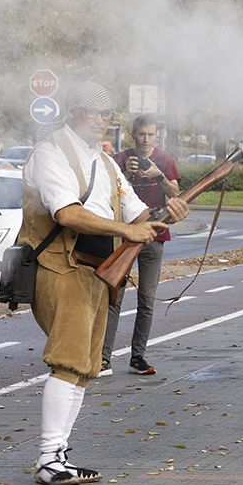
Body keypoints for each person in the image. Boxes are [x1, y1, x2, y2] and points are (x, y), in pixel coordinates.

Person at [20, 82, 188, 485]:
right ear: (73, 113)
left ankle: (58, 454)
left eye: (107, 115)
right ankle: (48, 459)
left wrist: (172, 210)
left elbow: (140, 213)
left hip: (97, 270)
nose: (102, 121)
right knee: (68, 362)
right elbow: (67, 214)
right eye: (95, 113)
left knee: (84, 368)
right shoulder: (51, 153)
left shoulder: (106, 162)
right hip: (61, 266)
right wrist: (128, 232)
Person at [101, 115, 182, 376]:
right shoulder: (119, 160)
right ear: (133, 135)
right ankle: (103, 357)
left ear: (156, 136)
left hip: (155, 235)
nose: (146, 140)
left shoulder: (165, 160)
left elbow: (176, 195)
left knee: (147, 299)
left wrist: (157, 175)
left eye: (150, 135)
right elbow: (105, 192)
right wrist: (126, 173)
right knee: (114, 297)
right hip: (122, 236)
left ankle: (138, 356)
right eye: (141, 135)